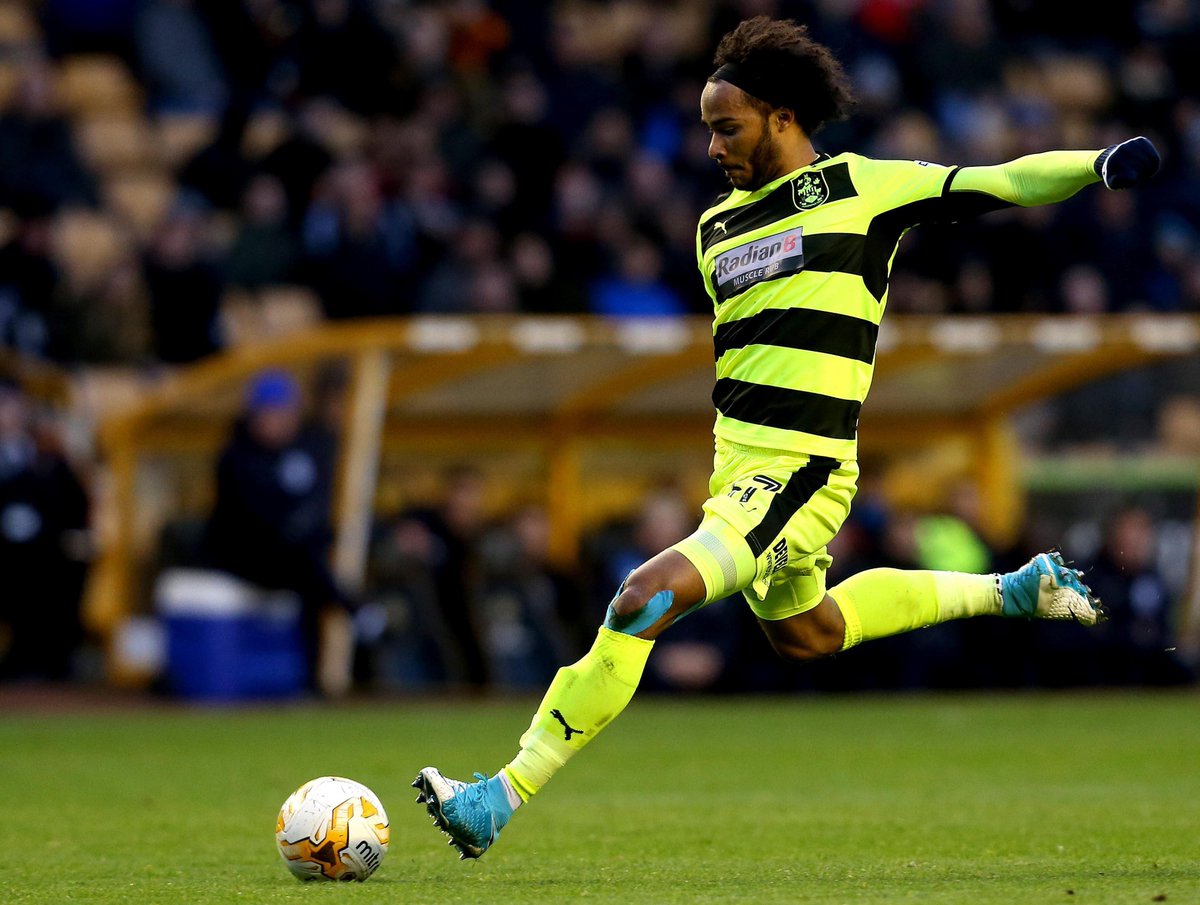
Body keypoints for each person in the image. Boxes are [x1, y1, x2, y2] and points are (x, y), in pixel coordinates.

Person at [412, 16, 1161, 858]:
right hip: (738, 474)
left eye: (725, 127)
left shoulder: (864, 188)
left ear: (782, 115)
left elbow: (1003, 179)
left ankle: (500, 794)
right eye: (705, 129)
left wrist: (1095, 166)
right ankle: (1012, 591)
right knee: (811, 631)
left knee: (641, 598)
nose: (711, 148)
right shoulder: (713, 233)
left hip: (801, 473)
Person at [202, 370, 353, 694]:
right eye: (274, 413)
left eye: (288, 413)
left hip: (293, 558)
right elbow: (253, 520)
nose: (282, 421)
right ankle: (354, 609)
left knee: (307, 572)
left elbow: (313, 504)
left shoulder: (305, 449)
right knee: (306, 568)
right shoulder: (237, 456)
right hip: (243, 556)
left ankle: (310, 678)